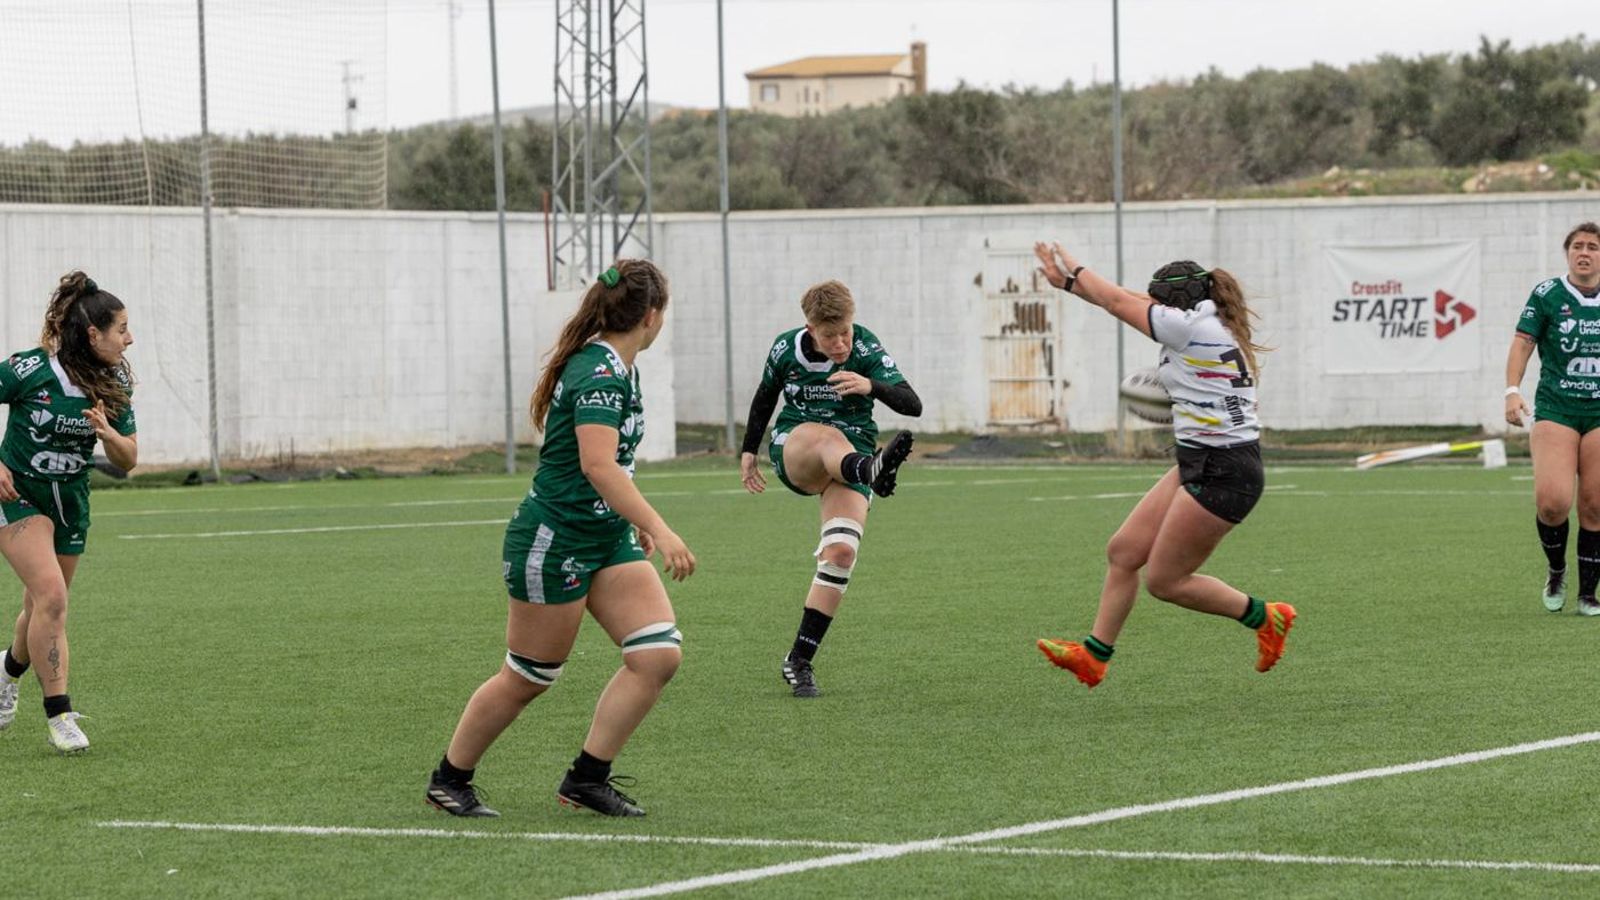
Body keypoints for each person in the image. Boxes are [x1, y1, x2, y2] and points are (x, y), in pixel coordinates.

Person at [426, 260, 695, 818]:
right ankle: (450, 778)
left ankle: (586, 779)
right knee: (529, 676)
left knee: (656, 655)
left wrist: (630, 519)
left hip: (603, 537)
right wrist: (660, 526)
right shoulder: (599, 373)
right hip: (555, 540)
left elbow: (608, 466)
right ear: (651, 316)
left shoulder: (620, 367)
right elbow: (598, 466)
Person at [1031, 242, 1294, 688]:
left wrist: (1075, 267)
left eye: (1159, 302)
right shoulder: (1203, 318)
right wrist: (1071, 285)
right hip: (1201, 458)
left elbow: (1118, 301)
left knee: (1166, 582)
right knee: (1124, 552)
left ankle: (1267, 617)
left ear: (1175, 304)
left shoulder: (1188, 329)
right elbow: (1127, 298)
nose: (1151, 307)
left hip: (1225, 472)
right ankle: (1093, 657)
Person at [739, 279, 920, 698]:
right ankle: (870, 469)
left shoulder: (865, 346)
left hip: (851, 457)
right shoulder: (785, 349)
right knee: (825, 437)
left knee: (841, 553)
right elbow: (765, 396)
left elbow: (913, 405)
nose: (840, 344)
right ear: (810, 329)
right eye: (829, 336)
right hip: (798, 448)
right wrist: (749, 450)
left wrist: (871, 386)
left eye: (845, 333)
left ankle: (799, 659)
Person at [0, 270, 137, 752]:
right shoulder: (30, 369)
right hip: (16, 499)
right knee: (52, 596)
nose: (129, 339)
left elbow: (128, 459)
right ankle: (59, 715)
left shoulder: (113, 381)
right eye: (122, 329)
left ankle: (6, 672)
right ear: (93, 334)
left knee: (41, 607)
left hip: (71, 503)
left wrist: (109, 434)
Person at [1505, 221, 1600, 617]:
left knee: (1595, 504)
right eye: (1577, 246)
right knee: (1553, 503)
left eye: (1592, 247)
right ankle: (1557, 570)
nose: (1584, 252)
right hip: (1557, 409)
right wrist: (1512, 390)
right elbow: (1522, 343)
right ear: (1568, 253)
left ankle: (1588, 593)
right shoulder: (1547, 294)